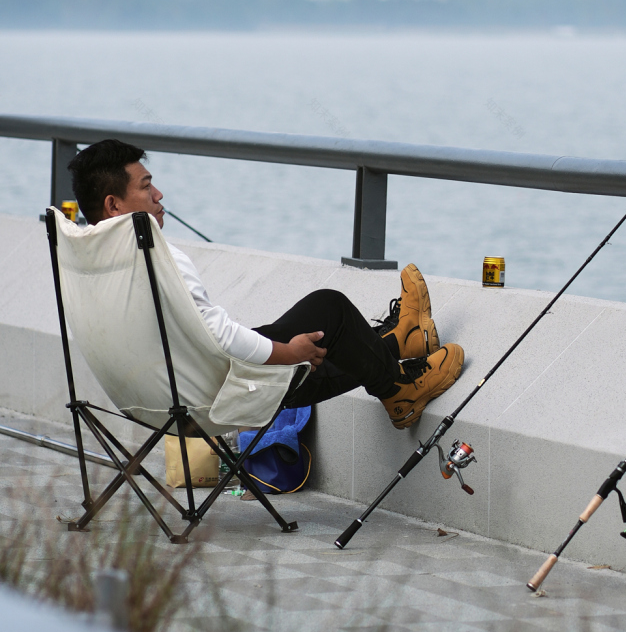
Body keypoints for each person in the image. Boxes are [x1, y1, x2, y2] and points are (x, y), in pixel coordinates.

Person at [68, 139, 464, 430]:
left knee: (315, 338)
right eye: (146, 185)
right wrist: (288, 353)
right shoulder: (157, 258)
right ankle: (399, 391)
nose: (158, 194)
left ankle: (400, 340)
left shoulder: (89, 260)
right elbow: (218, 335)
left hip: (150, 400)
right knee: (330, 309)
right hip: (215, 397)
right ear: (114, 205)